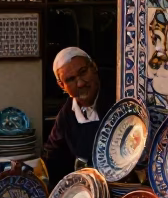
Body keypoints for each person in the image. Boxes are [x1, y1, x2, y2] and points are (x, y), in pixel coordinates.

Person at [43, 47, 115, 184]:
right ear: (61, 85)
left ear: (93, 67)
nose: (81, 83)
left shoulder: (119, 91)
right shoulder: (66, 116)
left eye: (83, 72)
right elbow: (51, 156)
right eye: (70, 80)